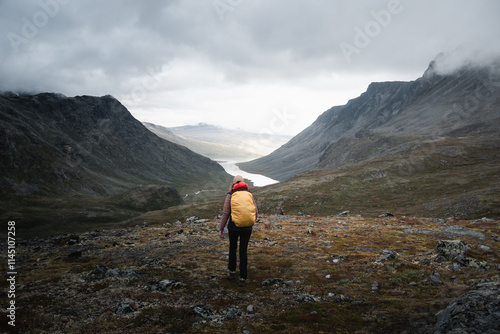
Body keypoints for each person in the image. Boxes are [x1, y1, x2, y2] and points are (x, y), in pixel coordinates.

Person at [219, 175, 258, 287]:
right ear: (243, 183)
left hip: (233, 227)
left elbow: (226, 213)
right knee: (243, 251)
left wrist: (221, 228)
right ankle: (242, 278)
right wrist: (251, 222)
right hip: (247, 228)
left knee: (232, 248)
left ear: (234, 184)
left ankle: (231, 273)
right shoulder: (249, 194)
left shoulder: (230, 195)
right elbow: (256, 211)